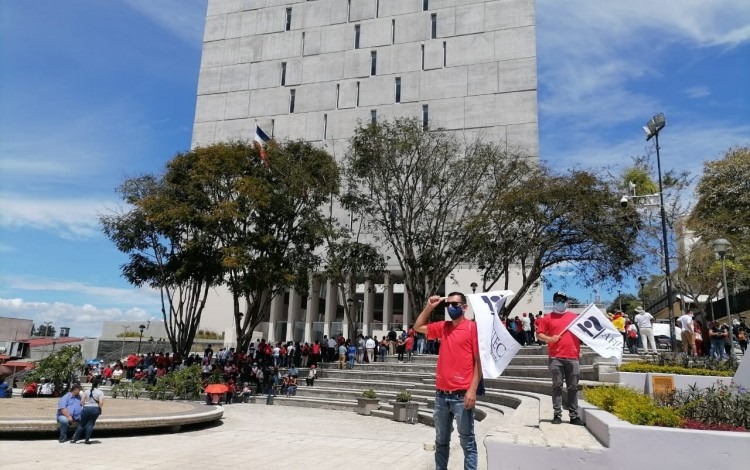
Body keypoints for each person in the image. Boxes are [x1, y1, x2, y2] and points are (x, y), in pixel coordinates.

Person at [414, 292, 481, 470]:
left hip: (462, 395)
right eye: (448, 304)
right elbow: (418, 326)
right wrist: (429, 306)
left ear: (464, 307)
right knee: (441, 442)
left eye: (455, 304)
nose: (451, 307)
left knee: (467, 442)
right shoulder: (443, 327)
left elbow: (478, 362)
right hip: (441, 395)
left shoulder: (472, 328)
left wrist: (472, 390)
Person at [535, 291, 584, 426]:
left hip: (573, 357)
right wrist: (550, 339)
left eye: (562, 300)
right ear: (554, 302)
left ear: (566, 302)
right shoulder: (548, 318)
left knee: (573, 387)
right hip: (556, 357)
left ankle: (574, 416)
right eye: (557, 300)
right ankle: (557, 414)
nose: (560, 302)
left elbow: (584, 334)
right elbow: (539, 334)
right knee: (557, 386)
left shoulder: (574, 317)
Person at [71, 378, 103, 444]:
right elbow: (101, 403)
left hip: (86, 408)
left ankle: (75, 439)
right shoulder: (100, 392)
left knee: (81, 424)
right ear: (98, 385)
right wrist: (99, 408)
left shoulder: (86, 391)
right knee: (90, 424)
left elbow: (82, 401)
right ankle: (87, 440)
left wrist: (84, 406)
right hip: (95, 408)